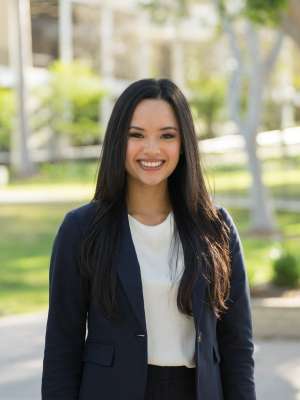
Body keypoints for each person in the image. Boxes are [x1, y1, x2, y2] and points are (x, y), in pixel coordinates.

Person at [41, 78, 256, 400]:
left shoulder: (216, 228)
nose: (152, 149)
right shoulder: (81, 229)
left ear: (184, 143)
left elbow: (237, 346)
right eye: (136, 135)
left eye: (167, 135)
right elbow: (62, 346)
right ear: (118, 140)